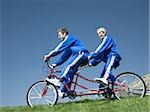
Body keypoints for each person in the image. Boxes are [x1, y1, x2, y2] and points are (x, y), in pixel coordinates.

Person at [44, 27, 89, 97]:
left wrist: (49, 55)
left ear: (64, 34)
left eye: (59, 35)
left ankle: (58, 81)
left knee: (68, 66)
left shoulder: (70, 38)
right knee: (69, 73)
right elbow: (64, 56)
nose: (58, 37)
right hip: (78, 55)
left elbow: (59, 48)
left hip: (81, 53)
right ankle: (64, 91)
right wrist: (55, 64)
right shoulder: (69, 46)